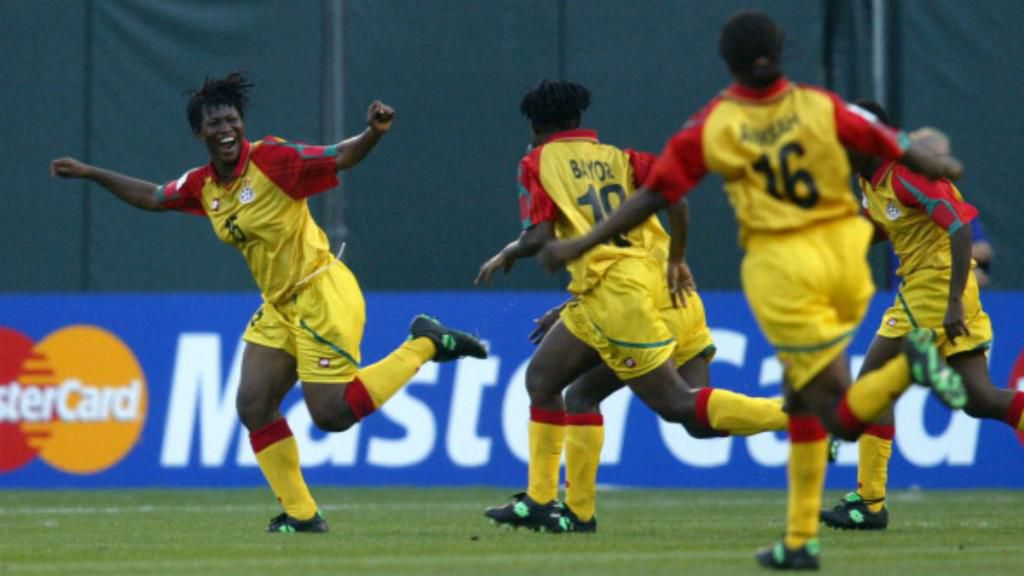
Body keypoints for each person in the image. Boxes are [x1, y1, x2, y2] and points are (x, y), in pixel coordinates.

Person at [537, 11, 967, 570]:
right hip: (842, 262)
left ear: (730, 62)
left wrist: (581, 242)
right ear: (780, 54)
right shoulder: (818, 105)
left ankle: (905, 370)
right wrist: (936, 161)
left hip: (786, 271)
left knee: (822, 406)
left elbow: (656, 195)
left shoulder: (718, 120)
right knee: (816, 403)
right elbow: (891, 143)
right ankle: (800, 541)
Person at [49, 72, 487, 534]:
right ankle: (302, 515)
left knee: (332, 415)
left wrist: (373, 132)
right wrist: (92, 173)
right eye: (215, 123)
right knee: (254, 404)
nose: (226, 129)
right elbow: (155, 196)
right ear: (198, 133)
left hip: (320, 294)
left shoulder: (273, 160)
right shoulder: (204, 185)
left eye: (232, 120)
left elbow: (339, 156)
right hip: (280, 305)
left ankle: (425, 343)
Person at [475, 79, 788, 533]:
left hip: (621, 297)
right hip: (669, 288)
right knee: (564, 387)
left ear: (535, 127)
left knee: (677, 404)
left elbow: (540, 237)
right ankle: (567, 509)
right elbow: (675, 197)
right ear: (577, 119)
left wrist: (508, 251)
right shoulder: (621, 159)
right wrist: (677, 257)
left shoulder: (537, 161)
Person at [819, 100, 1024, 531]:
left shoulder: (906, 172)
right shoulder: (870, 180)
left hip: (937, 287)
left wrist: (952, 302)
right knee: (980, 399)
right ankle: (868, 500)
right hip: (930, 287)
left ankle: (869, 503)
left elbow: (959, 227)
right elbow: (885, 226)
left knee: (873, 386)